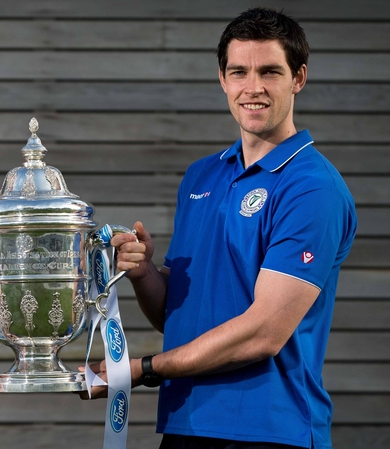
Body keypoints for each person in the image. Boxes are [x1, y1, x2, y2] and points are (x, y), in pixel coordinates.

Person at [83, 8, 357, 449]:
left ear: (298, 78)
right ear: (223, 79)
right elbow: (176, 314)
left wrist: (141, 369)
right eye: (239, 72)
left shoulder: (312, 187)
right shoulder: (201, 176)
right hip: (186, 422)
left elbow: (265, 332)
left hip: (269, 430)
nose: (254, 88)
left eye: (270, 72)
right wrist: (144, 273)